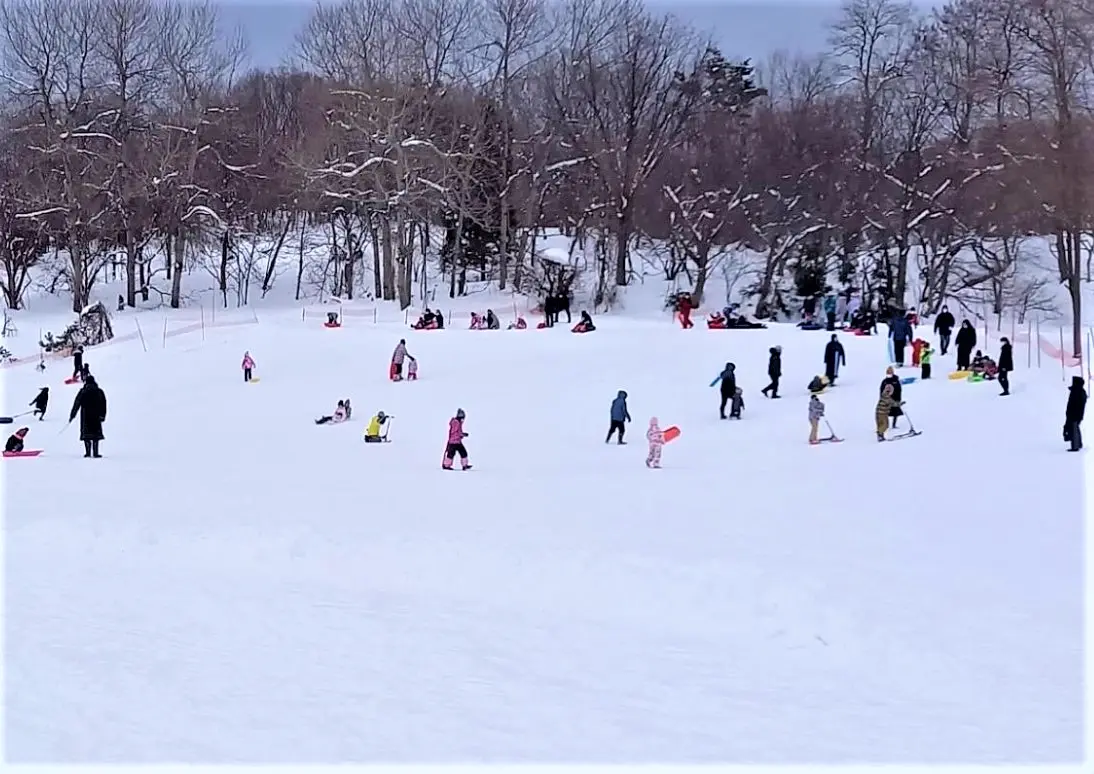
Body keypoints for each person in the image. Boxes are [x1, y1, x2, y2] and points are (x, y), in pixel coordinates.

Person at [69, 374, 107, 458]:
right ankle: (96, 453)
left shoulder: (83, 391)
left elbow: (77, 403)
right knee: (95, 435)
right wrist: (103, 415)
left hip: (85, 415)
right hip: (96, 415)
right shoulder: (99, 391)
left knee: (86, 435)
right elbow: (103, 404)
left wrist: (72, 415)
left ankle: (88, 453)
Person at [1065, 376, 1086, 452]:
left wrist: (1072, 413)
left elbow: (1075, 404)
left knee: (1074, 429)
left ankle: (1075, 446)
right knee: (1076, 428)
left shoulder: (1077, 392)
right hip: (1076, 414)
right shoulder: (1079, 391)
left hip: (1075, 414)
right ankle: (1078, 444)